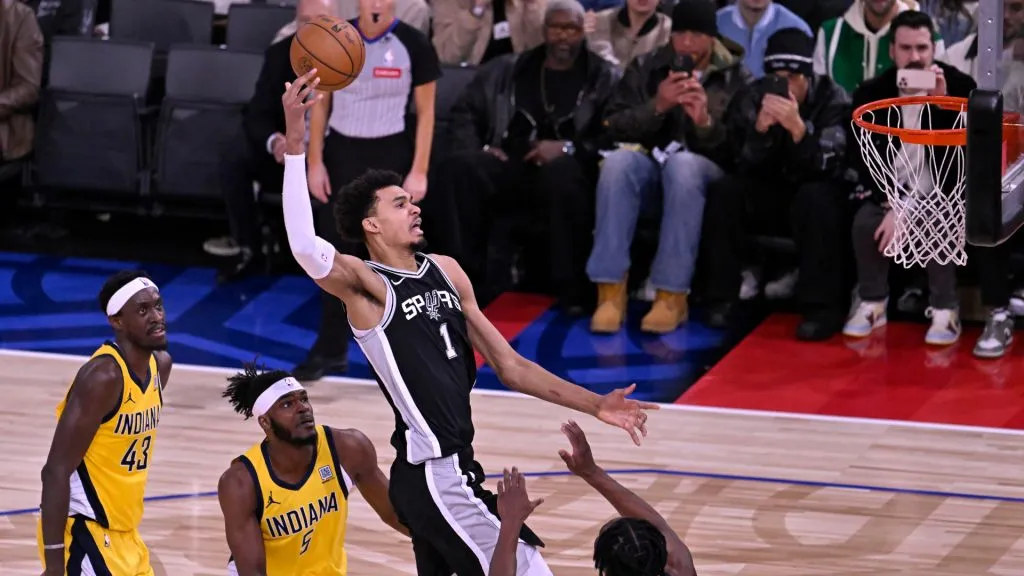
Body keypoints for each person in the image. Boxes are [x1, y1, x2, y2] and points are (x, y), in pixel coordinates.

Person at [280, 68, 657, 576]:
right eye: (399, 204)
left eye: (411, 200)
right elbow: (305, 246)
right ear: (371, 225)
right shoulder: (367, 285)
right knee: (527, 571)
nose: (414, 208)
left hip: (450, 466)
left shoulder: (448, 271)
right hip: (436, 472)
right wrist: (298, 141)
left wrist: (596, 405)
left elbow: (511, 366)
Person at [424, 0, 618, 310]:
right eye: (556, 28)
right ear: (544, 31)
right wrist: (480, 149)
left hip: (570, 169)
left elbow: (612, 134)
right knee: (460, 169)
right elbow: (466, 112)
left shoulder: (604, 76)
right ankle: (461, 282)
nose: (563, 37)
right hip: (510, 161)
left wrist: (567, 148)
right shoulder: (509, 69)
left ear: (583, 32)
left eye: (571, 29)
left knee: (562, 174)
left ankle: (568, 290)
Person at [297, 0, 442, 382]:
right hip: (342, 153)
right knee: (331, 256)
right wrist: (315, 162)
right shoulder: (334, 39)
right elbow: (319, 107)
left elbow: (427, 113)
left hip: (392, 154)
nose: (376, 2)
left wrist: (420, 169)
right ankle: (330, 349)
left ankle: (412, 354)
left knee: (398, 261)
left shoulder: (415, 44)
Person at [587, 0, 752, 335]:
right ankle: (609, 293)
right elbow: (612, 124)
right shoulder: (648, 65)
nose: (687, 43)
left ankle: (670, 296)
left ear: (712, 37)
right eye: (680, 33)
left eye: (696, 34)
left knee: (684, 165)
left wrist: (705, 123)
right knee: (618, 164)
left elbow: (741, 154)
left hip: (705, 178)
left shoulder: (738, 76)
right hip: (654, 171)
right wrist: (657, 107)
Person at [701, 28, 852, 341]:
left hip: (813, 190)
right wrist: (760, 133)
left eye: (793, 76)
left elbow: (832, 164)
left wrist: (800, 131)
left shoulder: (834, 99)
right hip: (769, 189)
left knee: (818, 199)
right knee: (725, 191)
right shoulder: (750, 97)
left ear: (808, 75)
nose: (784, 85)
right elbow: (736, 161)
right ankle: (720, 298)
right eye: (776, 76)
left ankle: (821, 309)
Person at [844, 10, 976, 345]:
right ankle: (873, 302)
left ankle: (946, 310)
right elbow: (861, 160)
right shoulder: (872, 93)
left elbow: (965, 163)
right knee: (864, 222)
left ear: (934, 49)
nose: (915, 58)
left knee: (941, 219)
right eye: (906, 48)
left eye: (922, 48)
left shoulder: (961, 87)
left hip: (944, 193)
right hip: (892, 193)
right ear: (892, 51)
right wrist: (894, 205)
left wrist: (944, 105)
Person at [37, 271, 172, 576]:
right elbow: (55, 470)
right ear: (117, 321)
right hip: (84, 531)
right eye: (143, 310)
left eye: (158, 306)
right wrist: (55, 564)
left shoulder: (160, 366)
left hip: (126, 534)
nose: (156, 316)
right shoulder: (103, 377)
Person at [217, 362, 409, 575]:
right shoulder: (241, 482)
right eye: (287, 404)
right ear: (265, 422)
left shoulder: (349, 448)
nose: (303, 408)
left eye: (304, 398)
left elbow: (394, 513)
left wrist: (445, 545)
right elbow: (252, 571)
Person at [490, 421, 696, 576]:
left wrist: (511, 522)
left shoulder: (679, 561)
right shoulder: (681, 567)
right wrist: (591, 472)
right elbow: (658, 526)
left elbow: (658, 528)